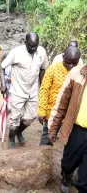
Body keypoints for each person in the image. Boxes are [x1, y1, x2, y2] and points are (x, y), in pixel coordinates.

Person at [0, 32, 49, 149]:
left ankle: (18, 131)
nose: (33, 48)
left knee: (30, 117)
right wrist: (3, 84)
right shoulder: (16, 52)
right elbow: (2, 67)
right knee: (15, 118)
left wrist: (41, 87)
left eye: (35, 46)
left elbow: (43, 69)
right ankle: (11, 137)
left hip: (33, 91)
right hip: (18, 90)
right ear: (25, 42)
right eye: (31, 46)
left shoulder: (41, 52)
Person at [48, 64, 87, 193]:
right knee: (68, 163)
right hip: (78, 129)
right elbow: (62, 103)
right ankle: (67, 175)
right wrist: (53, 127)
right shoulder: (77, 73)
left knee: (85, 181)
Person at [38, 47, 81, 146]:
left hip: (70, 115)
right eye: (68, 62)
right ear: (63, 57)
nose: (71, 66)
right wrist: (41, 110)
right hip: (52, 113)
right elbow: (44, 90)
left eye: (74, 63)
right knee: (46, 140)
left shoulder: (81, 72)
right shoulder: (53, 69)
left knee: (69, 142)